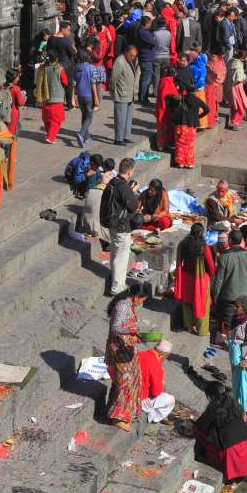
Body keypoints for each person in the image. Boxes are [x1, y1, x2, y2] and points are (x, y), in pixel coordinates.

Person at [194, 382, 247, 483]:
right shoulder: (234, 403)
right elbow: (242, 419)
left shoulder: (213, 409)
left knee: (201, 434)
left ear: (210, 396)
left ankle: (232, 473)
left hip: (232, 448)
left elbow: (201, 425)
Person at [105, 282, 147, 430]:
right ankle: (117, 417)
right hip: (119, 350)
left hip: (127, 349)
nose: (141, 303)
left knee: (133, 379)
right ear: (136, 297)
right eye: (142, 300)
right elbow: (116, 327)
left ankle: (125, 412)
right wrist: (132, 331)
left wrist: (137, 335)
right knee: (125, 383)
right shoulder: (123, 306)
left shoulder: (129, 305)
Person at [101, 157, 139, 294]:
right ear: (129, 171)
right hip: (121, 225)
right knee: (121, 257)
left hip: (111, 222)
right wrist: (133, 192)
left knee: (116, 253)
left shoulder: (113, 182)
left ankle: (118, 283)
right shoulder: (124, 187)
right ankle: (117, 287)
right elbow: (133, 206)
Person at [211, 228, 247, 338]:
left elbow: (218, 280)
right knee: (243, 323)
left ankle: (230, 344)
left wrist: (215, 296)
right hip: (246, 296)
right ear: (241, 240)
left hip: (229, 297)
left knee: (229, 324)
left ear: (230, 241)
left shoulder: (224, 257)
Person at [174, 222, 216, 334]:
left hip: (186, 277)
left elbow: (179, 261)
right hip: (201, 279)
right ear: (202, 233)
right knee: (202, 303)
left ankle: (188, 326)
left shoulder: (183, 244)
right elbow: (211, 266)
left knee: (186, 303)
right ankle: (201, 330)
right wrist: (210, 275)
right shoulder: (204, 247)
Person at [35, 49, 69, 143]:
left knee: (47, 119)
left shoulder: (43, 68)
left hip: (45, 98)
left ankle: (49, 134)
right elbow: (65, 82)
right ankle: (50, 137)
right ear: (57, 59)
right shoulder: (59, 69)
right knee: (56, 120)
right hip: (57, 98)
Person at [172, 85, 210, 168]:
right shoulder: (197, 100)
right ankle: (189, 163)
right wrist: (199, 116)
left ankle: (180, 162)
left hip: (181, 124)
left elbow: (172, 100)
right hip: (192, 125)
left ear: (186, 91)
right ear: (195, 92)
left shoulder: (182, 98)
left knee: (180, 144)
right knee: (190, 144)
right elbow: (207, 109)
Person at [138, 340, 175, 423]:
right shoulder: (156, 366)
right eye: (166, 357)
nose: (164, 360)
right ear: (162, 354)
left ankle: (152, 413)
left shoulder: (140, 354)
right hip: (140, 398)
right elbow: (156, 392)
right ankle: (154, 418)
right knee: (171, 400)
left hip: (129, 391)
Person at [110, 45, 139, 145]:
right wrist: (113, 91)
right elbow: (114, 78)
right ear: (126, 52)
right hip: (121, 93)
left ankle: (126, 136)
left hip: (130, 94)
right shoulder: (119, 61)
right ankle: (118, 139)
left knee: (128, 118)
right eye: (131, 55)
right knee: (120, 118)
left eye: (134, 56)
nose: (133, 57)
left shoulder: (132, 61)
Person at [81, 159, 115, 242]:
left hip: (88, 223)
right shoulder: (113, 180)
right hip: (98, 226)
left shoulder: (96, 180)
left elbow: (88, 192)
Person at [74, 49, 100, 147]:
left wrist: (74, 96)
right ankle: (81, 134)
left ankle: (86, 136)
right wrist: (96, 97)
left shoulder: (76, 67)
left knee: (84, 115)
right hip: (89, 95)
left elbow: (74, 83)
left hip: (80, 95)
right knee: (89, 117)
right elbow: (93, 84)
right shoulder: (91, 67)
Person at [155, 65, 179, 151]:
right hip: (164, 109)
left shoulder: (165, 80)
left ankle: (163, 144)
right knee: (162, 128)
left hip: (165, 108)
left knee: (164, 127)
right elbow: (164, 96)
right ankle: (161, 145)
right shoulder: (167, 82)